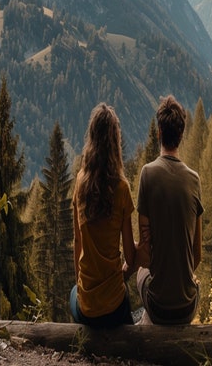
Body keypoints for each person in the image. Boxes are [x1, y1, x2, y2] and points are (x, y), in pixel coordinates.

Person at [135, 95, 203, 324]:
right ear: (181, 136)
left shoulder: (147, 174)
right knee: (193, 281)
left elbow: (145, 254)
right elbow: (197, 254)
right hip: (187, 308)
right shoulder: (194, 180)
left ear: (158, 133)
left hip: (158, 307)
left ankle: (147, 323)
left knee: (141, 274)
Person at [70, 103, 136, 327]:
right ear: (115, 142)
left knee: (72, 294)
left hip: (87, 307)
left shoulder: (80, 184)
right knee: (127, 304)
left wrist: (83, 287)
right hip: (115, 305)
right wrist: (122, 273)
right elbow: (130, 255)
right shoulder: (122, 189)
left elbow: (77, 241)